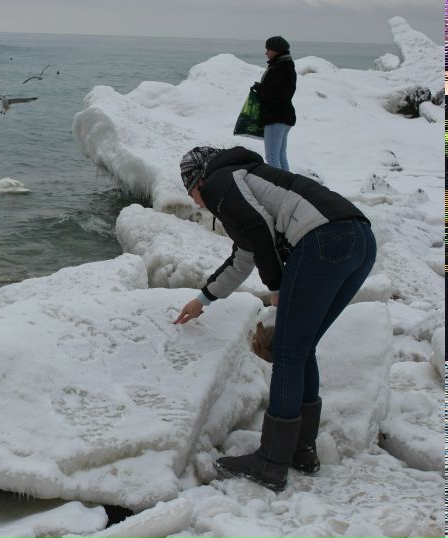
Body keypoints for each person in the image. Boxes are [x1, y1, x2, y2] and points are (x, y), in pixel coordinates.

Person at [174, 145, 376, 492]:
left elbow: (257, 226)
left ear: (199, 180)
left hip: (323, 240)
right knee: (301, 347)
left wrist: (277, 285)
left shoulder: (222, 181)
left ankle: (271, 462)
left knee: (285, 350)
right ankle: (301, 448)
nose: (195, 201)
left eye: (190, 191)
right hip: (359, 241)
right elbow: (245, 255)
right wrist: (202, 299)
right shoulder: (251, 181)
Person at [252, 36, 296, 171]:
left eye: (268, 49)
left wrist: (260, 89)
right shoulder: (287, 66)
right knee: (280, 156)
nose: (266, 53)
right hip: (285, 117)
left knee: (271, 157)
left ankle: (279, 188)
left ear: (276, 51)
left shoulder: (279, 68)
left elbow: (274, 95)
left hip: (276, 117)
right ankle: (288, 187)